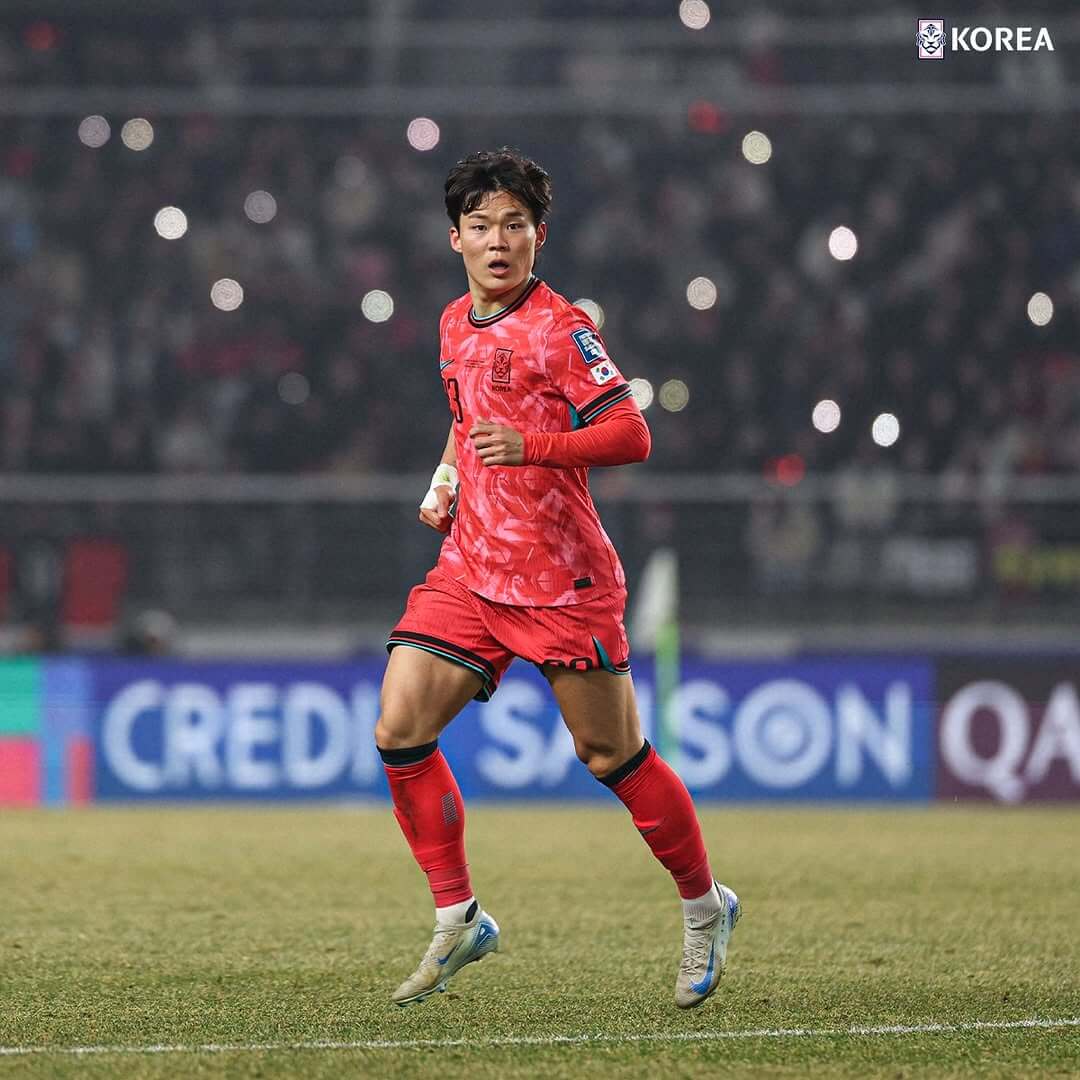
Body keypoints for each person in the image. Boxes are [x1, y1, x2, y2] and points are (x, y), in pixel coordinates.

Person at [374, 148, 740, 1010]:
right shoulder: (451, 323)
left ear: (539, 235)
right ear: (454, 236)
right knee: (399, 728)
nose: (497, 242)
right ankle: (459, 915)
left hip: (560, 578)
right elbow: (466, 424)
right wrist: (447, 477)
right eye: (480, 226)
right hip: (470, 567)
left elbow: (631, 433)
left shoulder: (561, 327)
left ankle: (704, 907)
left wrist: (534, 445)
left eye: (514, 226)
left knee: (611, 754)